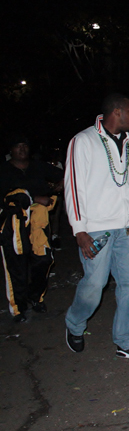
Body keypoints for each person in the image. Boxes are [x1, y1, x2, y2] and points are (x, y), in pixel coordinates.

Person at [62, 94, 129, 358]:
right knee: (95, 284)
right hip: (96, 228)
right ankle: (74, 324)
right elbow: (73, 187)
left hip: (127, 227)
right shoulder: (83, 141)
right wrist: (79, 229)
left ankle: (126, 339)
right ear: (117, 112)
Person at [0, 135, 63, 322]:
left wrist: (61, 183)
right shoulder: (3, 170)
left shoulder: (38, 166)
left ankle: (35, 297)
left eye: (25, 146)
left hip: (39, 221)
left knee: (43, 259)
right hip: (13, 223)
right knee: (16, 265)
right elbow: (10, 197)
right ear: (10, 150)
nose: (22, 149)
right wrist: (34, 198)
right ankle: (18, 308)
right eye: (17, 146)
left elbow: (65, 173)